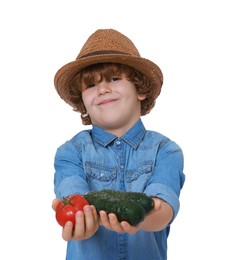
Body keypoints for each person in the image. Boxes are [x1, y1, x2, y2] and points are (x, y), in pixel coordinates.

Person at [52, 28, 185, 260]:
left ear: (140, 90)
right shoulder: (70, 152)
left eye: (114, 79)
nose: (103, 89)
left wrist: (141, 215)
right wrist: (82, 220)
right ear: (82, 100)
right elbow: (74, 197)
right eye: (91, 85)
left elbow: (164, 210)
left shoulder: (165, 150)